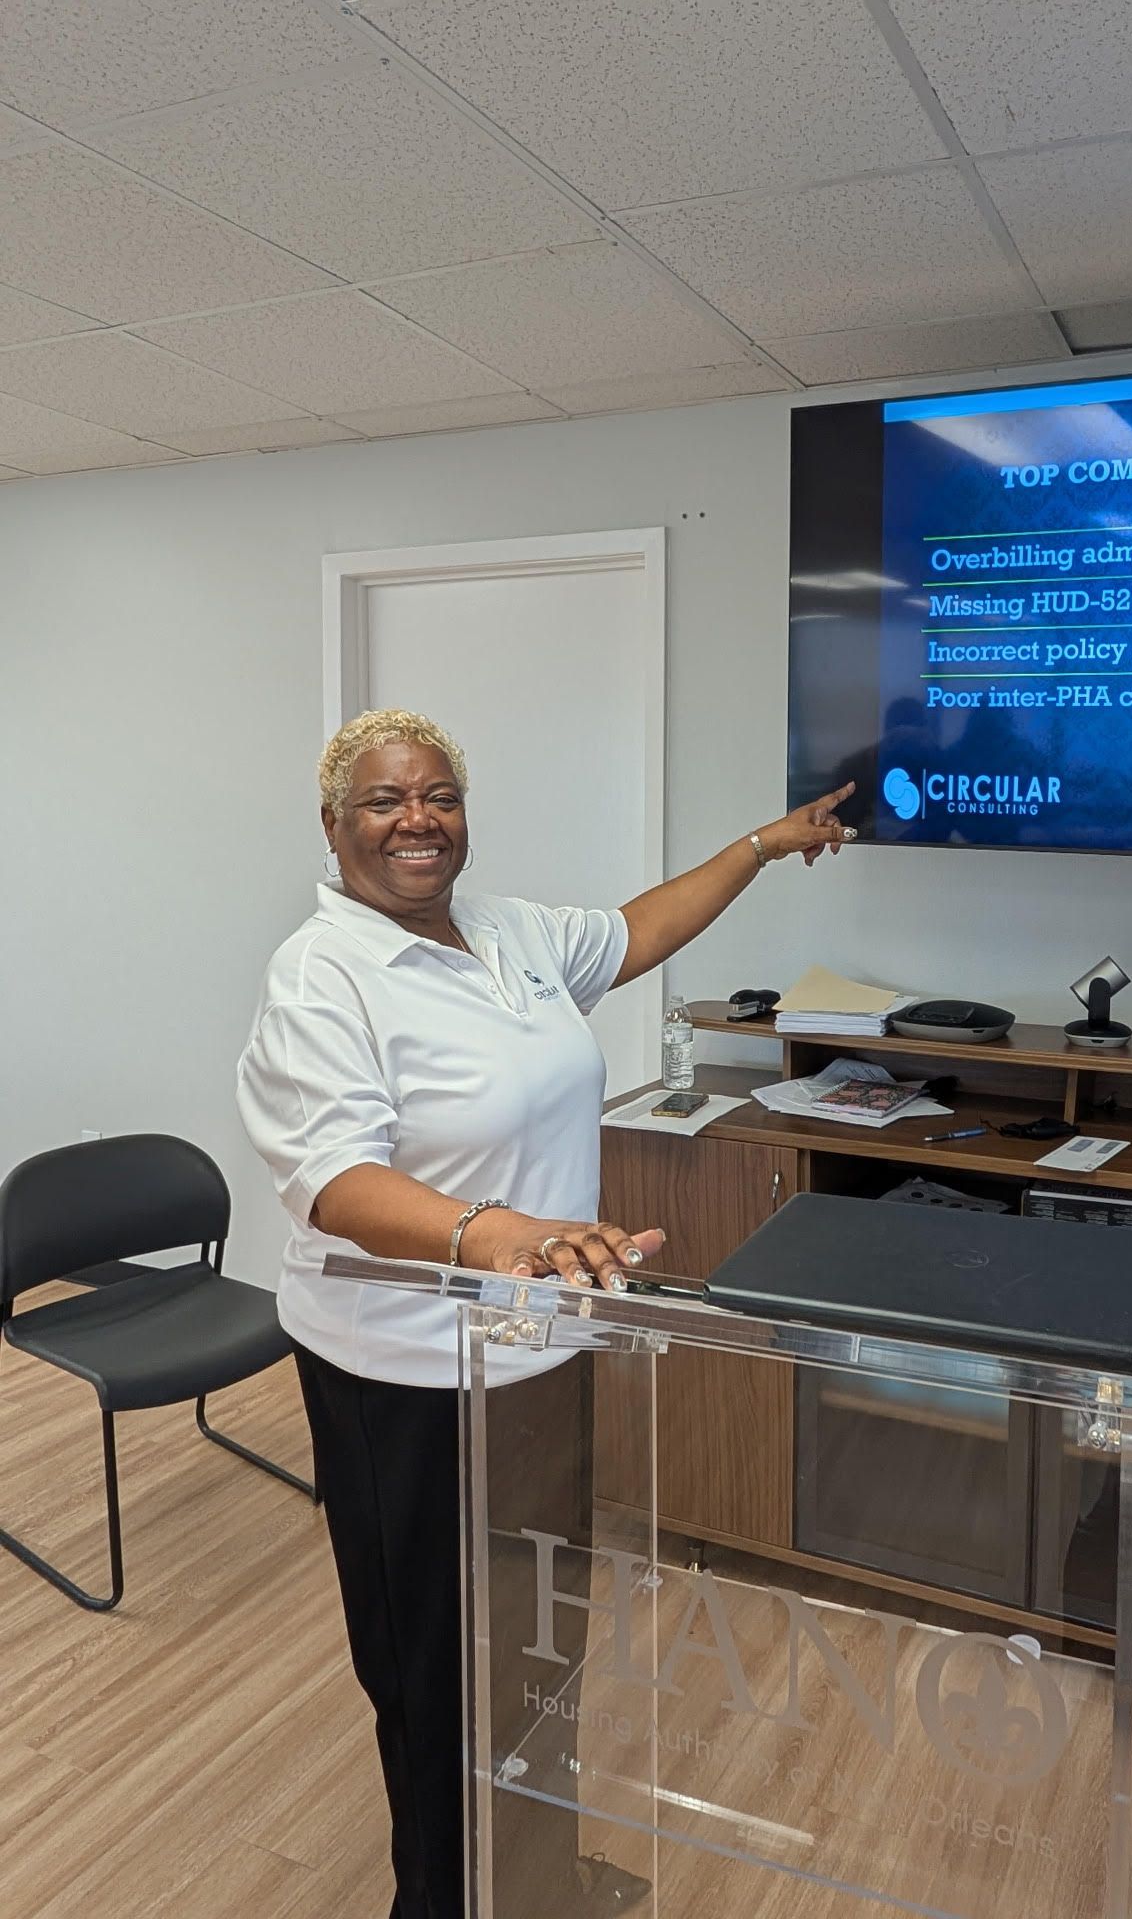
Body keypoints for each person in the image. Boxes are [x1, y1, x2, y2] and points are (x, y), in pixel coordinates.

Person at [237, 708, 853, 1919]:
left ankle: (533, 1879)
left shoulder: (506, 931)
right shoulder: (321, 976)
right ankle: (445, 1899)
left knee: (537, 1649)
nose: (417, 819)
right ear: (334, 824)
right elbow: (334, 1179)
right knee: (438, 1678)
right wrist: (497, 1233)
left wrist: (763, 845)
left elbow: (639, 929)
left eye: (439, 795)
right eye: (384, 800)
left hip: (540, 1351)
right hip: (405, 1376)